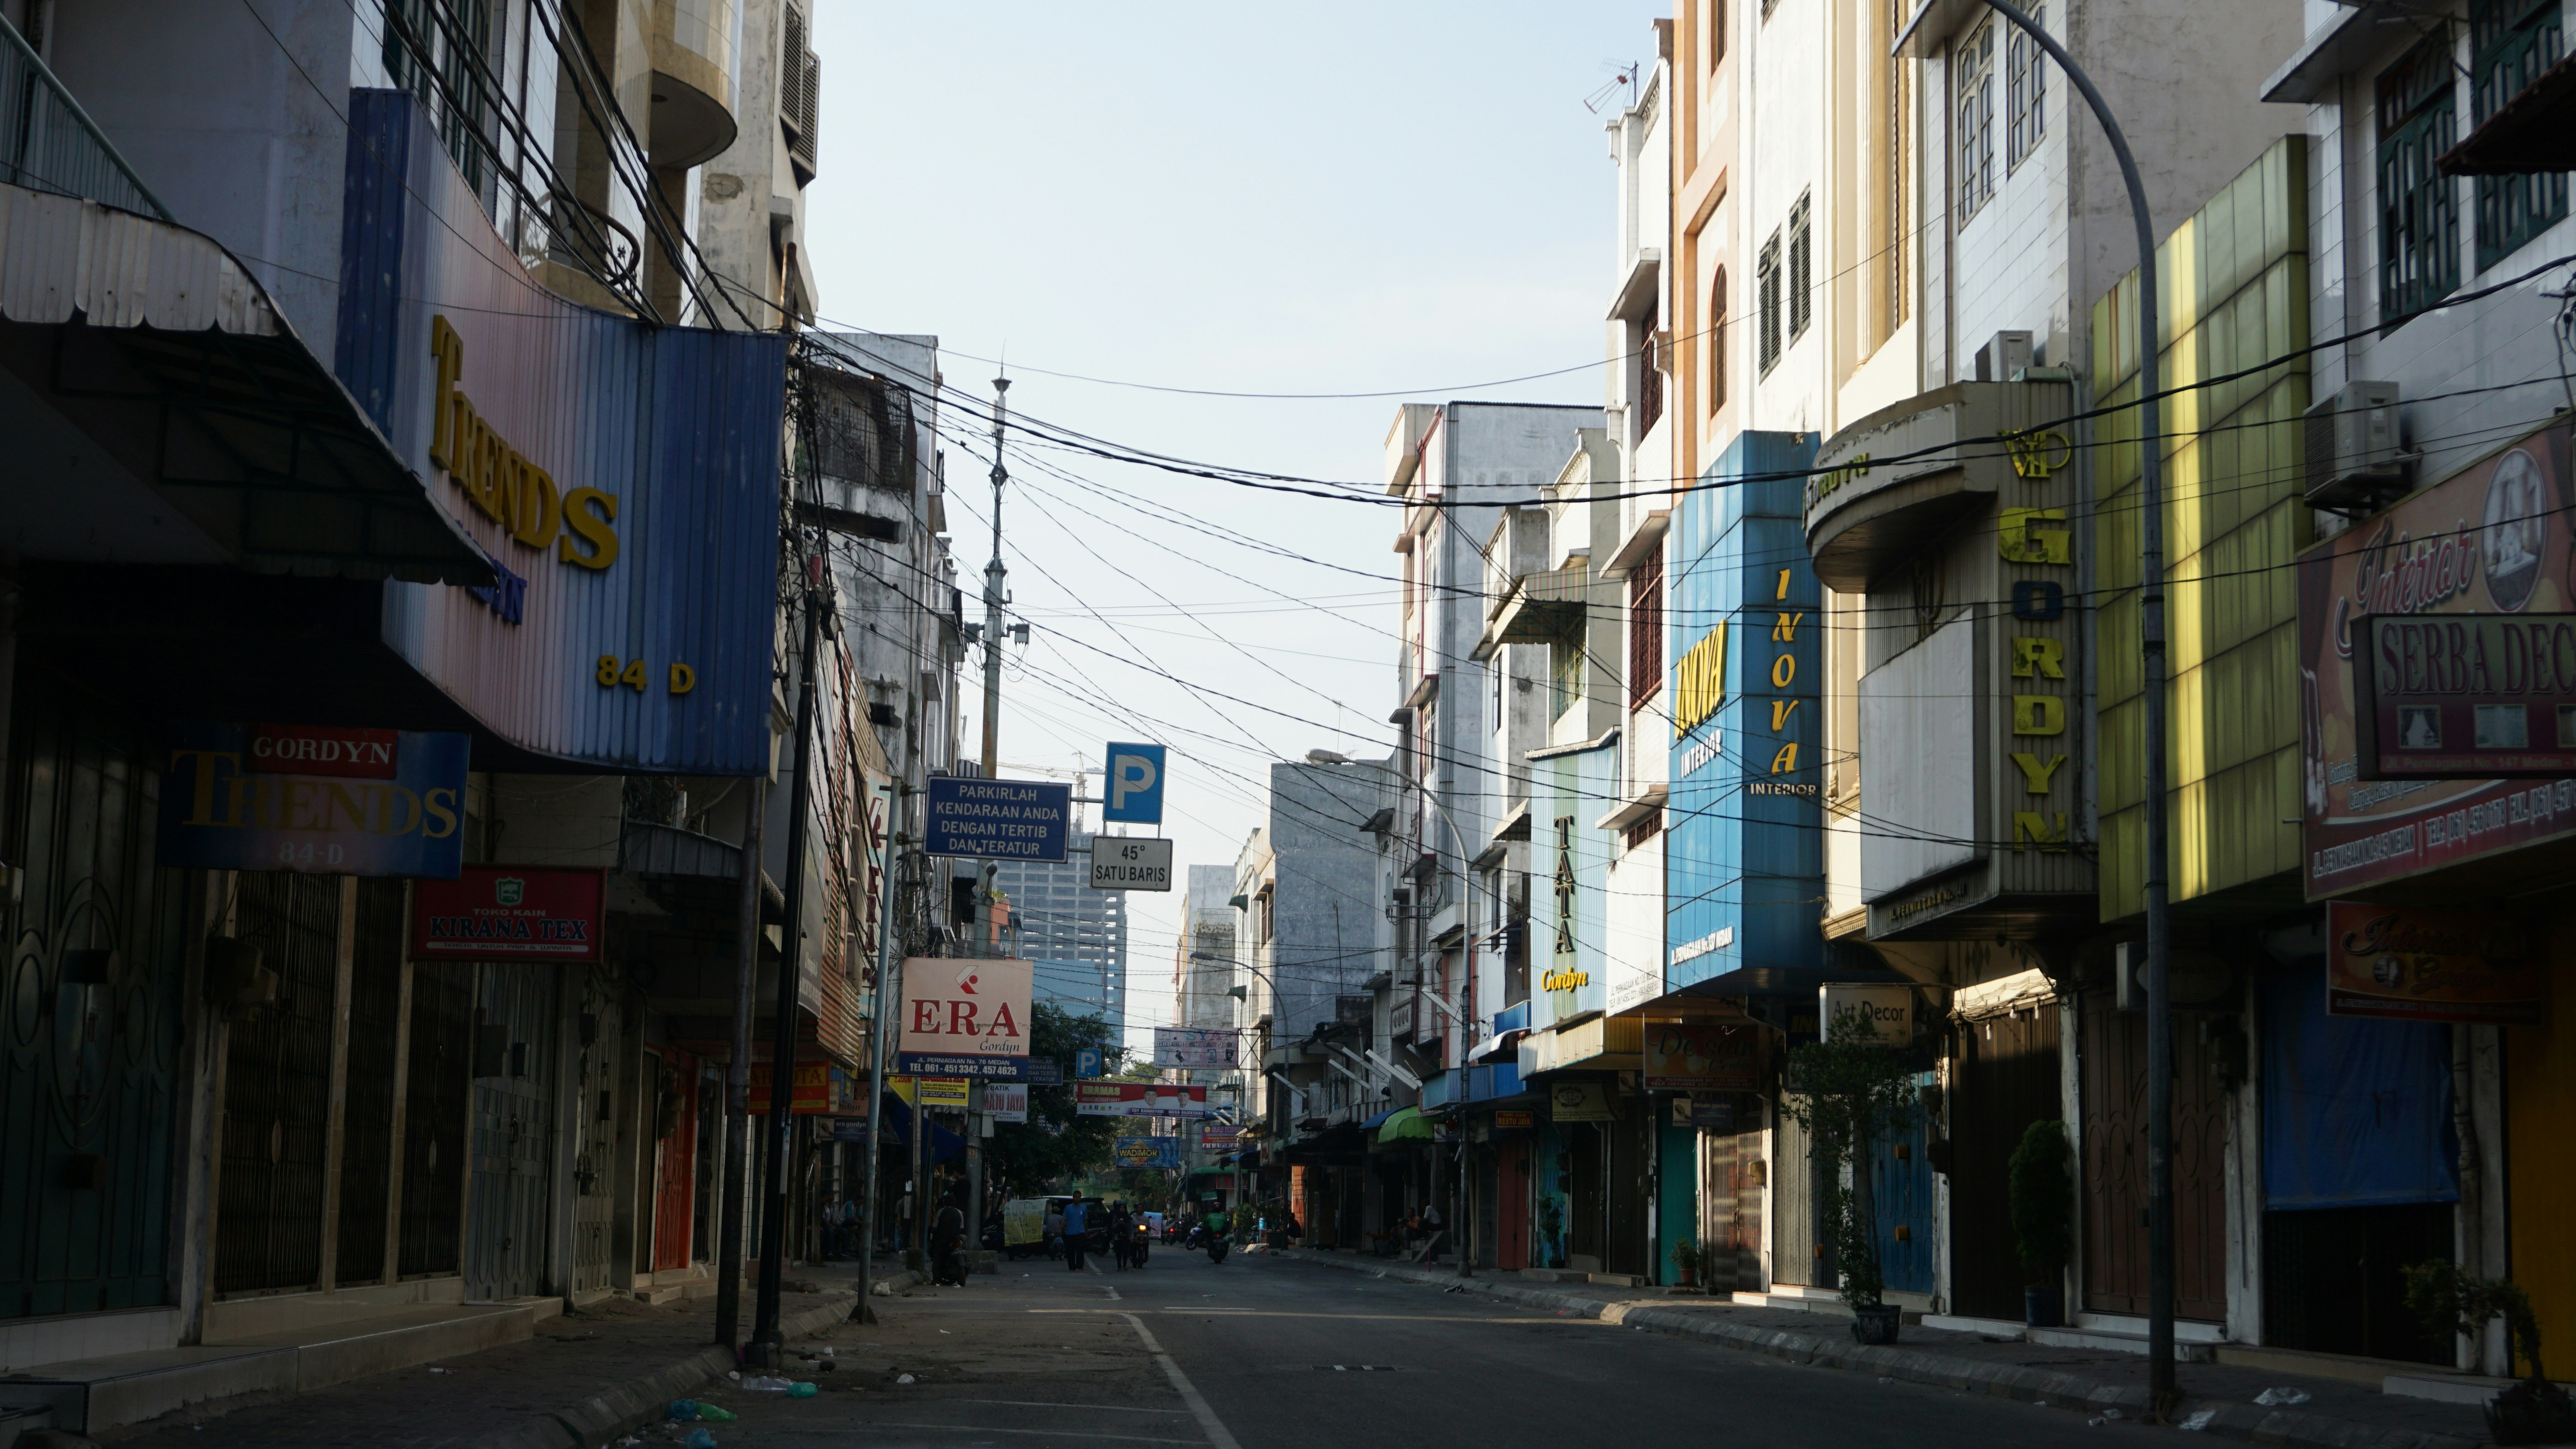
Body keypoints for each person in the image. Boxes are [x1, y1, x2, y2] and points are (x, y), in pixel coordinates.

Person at [930, 1190, 967, 1287]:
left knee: (937, 1257)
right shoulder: (959, 1213)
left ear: (944, 1203)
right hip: (955, 1240)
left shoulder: (940, 1212)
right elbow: (962, 1228)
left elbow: (935, 1227)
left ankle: (935, 1279)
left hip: (942, 1240)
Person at [1062, 1196, 1091, 1271]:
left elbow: (1085, 1220)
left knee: (1080, 1250)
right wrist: (1060, 1228)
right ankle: (1072, 1266)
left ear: (1080, 1198)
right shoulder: (1068, 1208)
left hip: (1081, 1232)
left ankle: (1080, 1265)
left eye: (1079, 1197)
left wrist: (1086, 1231)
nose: (1077, 1199)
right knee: (1070, 1251)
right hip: (1070, 1233)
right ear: (1073, 1198)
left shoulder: (1084, 1208)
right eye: (1076, 1197)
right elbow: (1064, 1218)